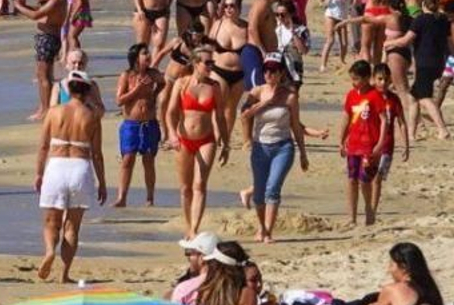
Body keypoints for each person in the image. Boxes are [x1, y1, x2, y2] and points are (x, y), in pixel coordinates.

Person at [36, 70, 106, 283]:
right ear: (86, 90)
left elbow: (43, 146)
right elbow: (96, 153)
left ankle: (49, 252)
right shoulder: (92, 116)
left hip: (56, 166)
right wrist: (102, 182)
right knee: (72, 226)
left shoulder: (54, 112)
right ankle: (64, 273)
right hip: (80, 166)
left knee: (51, 221)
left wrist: (39, 173)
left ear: (68, 88)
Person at [240, 53, 310, 244]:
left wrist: (303, 153)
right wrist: (266, 103)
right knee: (260, 191)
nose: (270, 74)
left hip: (283, 146)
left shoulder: (290, 96)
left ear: (281, 73)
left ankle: (268, 231)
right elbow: (245, 114)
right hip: (260, 146)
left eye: (274, 70)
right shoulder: (256, 92)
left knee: (273, 188)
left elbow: (296, 125)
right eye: (267, 70)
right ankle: (261, 227)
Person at [163, 45, 229, 238]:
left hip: (206, 140)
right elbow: (171, 112)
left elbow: (220, 117)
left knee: (199, 184)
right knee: (185, 188)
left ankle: (194, 229)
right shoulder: (182, 83)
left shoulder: (214, 86)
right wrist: (172, 135)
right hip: (184, 139)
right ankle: (188, 224)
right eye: (207, 63)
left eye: (212, 62)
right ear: (196, 63)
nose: (211, 66)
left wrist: (225, 143)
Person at [114, 42, 164, 207]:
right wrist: (137, 90)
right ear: (136, 58)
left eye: (148, 53)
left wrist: (154, 94)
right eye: (144, 54)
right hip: (131, 124)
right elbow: (119, 100)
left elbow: (164, 82)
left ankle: (150, 197)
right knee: (128, 159)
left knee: (149, 160)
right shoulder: (127, 76)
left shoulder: (153, 74)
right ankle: (122, 197)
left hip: (149, 122)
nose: (148, 56)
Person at [340, 59, 388, 227]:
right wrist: (341, 140)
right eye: (352, 79)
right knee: (351, 179)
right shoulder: (351, 95)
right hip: (353, 144)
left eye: (357, 79)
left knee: (364, 180)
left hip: (370, 146)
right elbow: (346, 118)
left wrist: (380, 143)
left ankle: (368, 209)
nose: (354, 83)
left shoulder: (375, 96)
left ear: (367, 78)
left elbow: (384, 120)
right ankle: (351, 217)